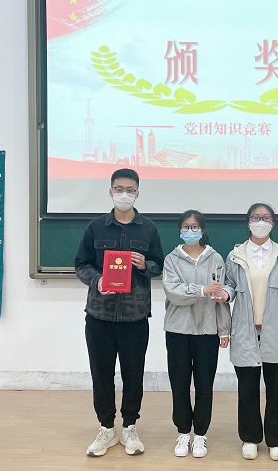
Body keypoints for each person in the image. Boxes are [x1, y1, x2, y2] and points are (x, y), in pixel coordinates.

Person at [74, 168, 165, 457]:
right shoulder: (95, 227)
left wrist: (144, 265)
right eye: (119, 189)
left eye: (130, 189)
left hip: (134, 316)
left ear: (137, 193)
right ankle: (106, 428)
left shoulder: (148, 229)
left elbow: (159, 265)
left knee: (133, 375)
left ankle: (129, 426)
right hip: (99, 315)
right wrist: (98, 280)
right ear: (110, 191)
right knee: (101, 375)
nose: (124, 194)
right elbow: (81, 265)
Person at [220, 203, 278, 462]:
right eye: (256, 217)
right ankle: (250, 438)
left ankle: (276, 440)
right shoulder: (235, 255)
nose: (261, 221)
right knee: (247, 388)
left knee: (277, 388)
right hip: (245, 331)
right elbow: (229, 285)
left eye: (266, 217)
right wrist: (226, 294)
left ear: (273, 223)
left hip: (276, 332)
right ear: (248, 222)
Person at [162, 210, 231, 458]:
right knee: (179, 383)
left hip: (208, 332)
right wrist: (202, 290)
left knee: (204, 385)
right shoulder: (171, 259)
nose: (190, 231)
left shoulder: (216, 259)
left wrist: (224, 329)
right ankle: (183, 432)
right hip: (178, 331)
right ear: (179, 230)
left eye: (194, 226)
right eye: (185, 226)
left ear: (202, 229)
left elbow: (220, 297)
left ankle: (200, 434)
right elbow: (174, 293)